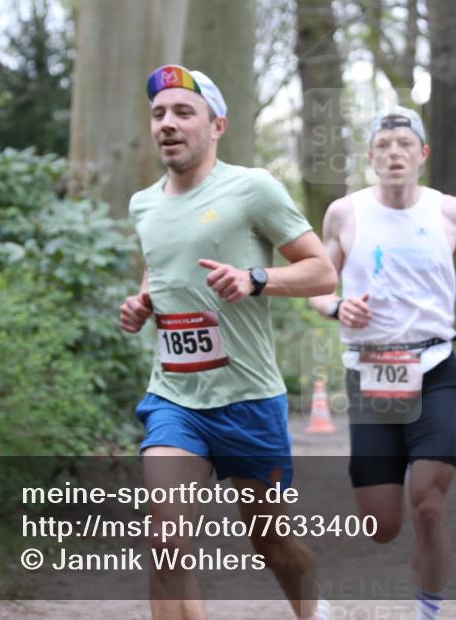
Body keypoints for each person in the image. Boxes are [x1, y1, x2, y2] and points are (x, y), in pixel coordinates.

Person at [119, 64, 337, 620]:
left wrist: (255, 278)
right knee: (167, 542)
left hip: (247, 401)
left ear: (217, 125)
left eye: (183, 113)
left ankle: (314, 611)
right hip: (175, 400)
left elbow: (322, 271)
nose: (168, 123)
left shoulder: (253, 188)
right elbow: (164, 268)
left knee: (273, 544)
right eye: (159, 114)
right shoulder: (144, 204)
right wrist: (143, 301)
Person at [309, 107, 456, 620]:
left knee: (428, 500)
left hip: (435, 367)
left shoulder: (450, 213)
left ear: (422, 155)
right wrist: (336, 305)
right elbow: (316, 282)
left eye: (404, 144)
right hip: (371, 373)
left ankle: (430, 609)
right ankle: (417, 559)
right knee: (382, 525)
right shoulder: (345, 214)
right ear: (371, 156)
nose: (394, 153)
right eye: (383, 145)